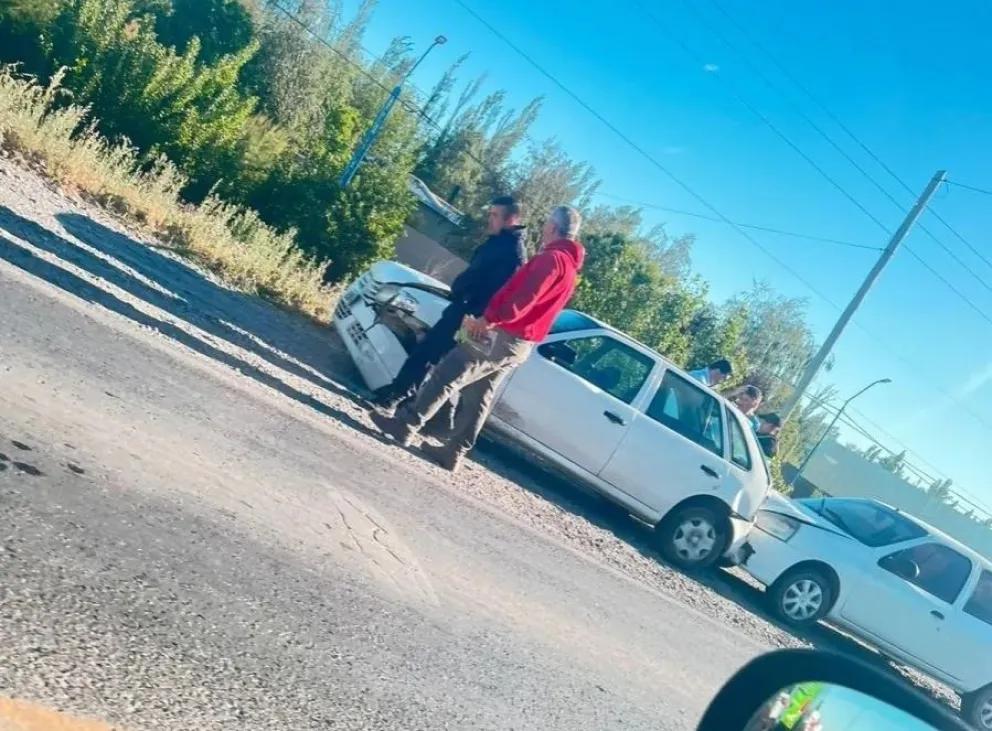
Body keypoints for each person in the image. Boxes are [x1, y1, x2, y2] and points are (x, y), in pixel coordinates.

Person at [371, 205, 585, 472]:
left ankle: (404, 425)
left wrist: (489, 320)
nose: (543, 228)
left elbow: (524, 298)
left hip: (503, 335)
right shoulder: (569, 269)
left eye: (546, 224)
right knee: (478, 394)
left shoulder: (551, 260)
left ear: (553, 227)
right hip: (520, 344)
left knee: (447, 372)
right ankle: (453, 452)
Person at [370, 196, 527, 421]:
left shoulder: (513, 253)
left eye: (495, 215)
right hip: (462, 307)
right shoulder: (499, 242)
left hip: (471, 315)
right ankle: (398, 392)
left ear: (511, 219)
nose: (489, 219)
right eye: (490, 213)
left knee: (433, 357)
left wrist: (473, 308)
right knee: (428, 351)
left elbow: (499, 292)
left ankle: (399, 399)